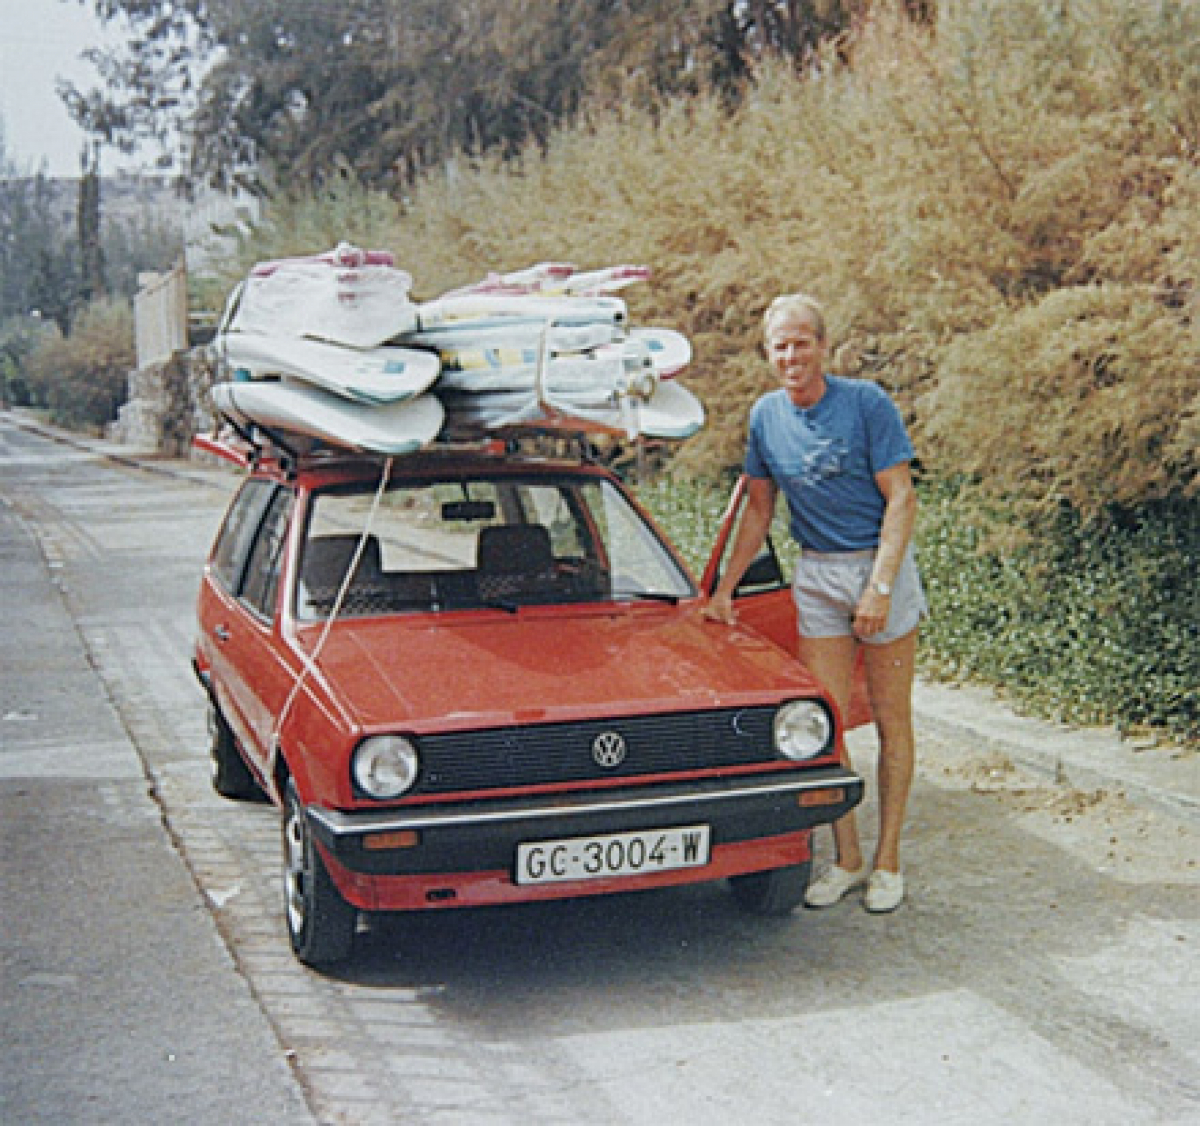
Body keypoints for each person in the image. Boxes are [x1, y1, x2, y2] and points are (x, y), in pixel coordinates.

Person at [704, 293, 926, 913]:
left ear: (823, 347)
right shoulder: (765, 416)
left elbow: (901, 500)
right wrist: (723, 590)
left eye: (802, 342)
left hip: (877, 565)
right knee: (823, 724)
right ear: (768, 355)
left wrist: (879, 587)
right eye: (781, 345)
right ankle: (846, 860)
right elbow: (758, 509)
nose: (792, 355)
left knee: (889, 718)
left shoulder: (865, 404)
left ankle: (888, 862)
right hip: (818, 573)